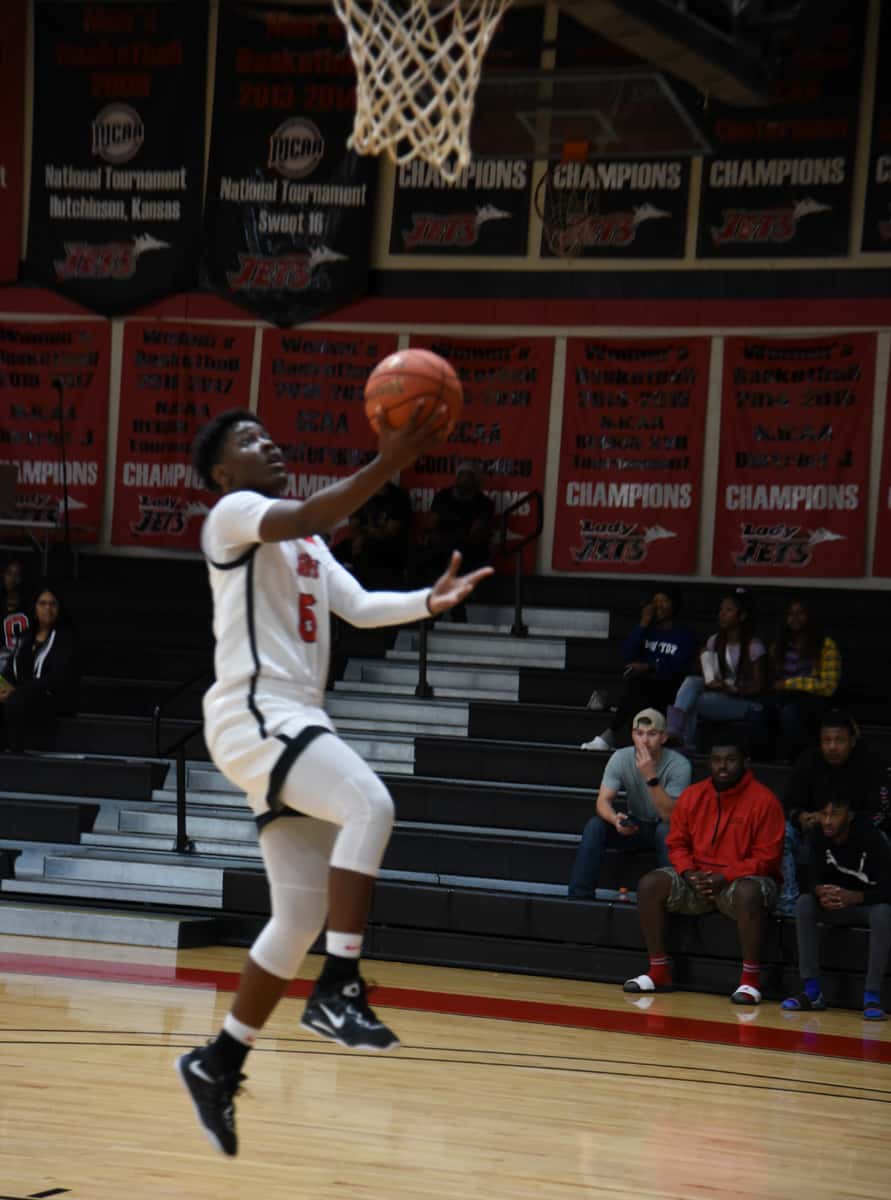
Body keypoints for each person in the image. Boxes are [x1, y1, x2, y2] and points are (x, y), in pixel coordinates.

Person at [177, 405, 492, 1157]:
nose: (270, 442)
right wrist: (391, 461)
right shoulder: (234, 514)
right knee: (368, 801)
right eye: (251, 441)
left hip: (287, 718)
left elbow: (355, 606)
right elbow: (319, 507)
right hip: (256, 711)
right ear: (224, 473)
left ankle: (218, 1061)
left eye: (268, 432)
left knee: (296, 918)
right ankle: (339, 985)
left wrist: (427, 602)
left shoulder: (309, 543)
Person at [623, 730, 785, 1005]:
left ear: (745, 762)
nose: (722, 766)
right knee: (650, 884)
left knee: (748, 892)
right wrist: (688, 872)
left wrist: (726, 876)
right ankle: (659, 971)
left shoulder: (764, 801)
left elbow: (767, 857)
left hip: (739, 882)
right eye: (716, 760)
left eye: (730, 760)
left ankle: (750, 982)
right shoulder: (694, 795)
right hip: (698, 880)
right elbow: (676, 843)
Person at [781, 794, 891, 1020]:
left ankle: (872, 995)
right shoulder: (818, 836)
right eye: (824, 814)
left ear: (849, 816)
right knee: (804, 903)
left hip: (863, 905)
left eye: (835, 814)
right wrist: (819, 891)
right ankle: (812, 992)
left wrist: (856, 897)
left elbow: (888, 890)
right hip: (832, 904)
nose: (828, 821)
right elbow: (809, 878)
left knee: (883, 912)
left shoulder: (872, 839)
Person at [569, 708, 691, 899]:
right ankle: (579, 897)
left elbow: (670, 816)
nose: (644, 740)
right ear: (633, 735)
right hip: (638, 825)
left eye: (652, 734)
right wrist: (614, 819)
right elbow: (602, 801)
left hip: (668, 828)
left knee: (664, 829)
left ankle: (677, 897)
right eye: (639, 733)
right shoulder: (621, 757)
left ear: (664, 737)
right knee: (595, 825)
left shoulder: (680, 765)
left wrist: (650, 776)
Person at [777, 709, 890, 915]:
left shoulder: (871, 762)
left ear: (852, 741)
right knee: (781, 834)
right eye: (826, 740)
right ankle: (788, 904)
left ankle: (872, 901)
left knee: (883, 838)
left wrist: (845, 824)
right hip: (814, 833)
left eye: (839, 740)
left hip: (858, 837)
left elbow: (881, 812)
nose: (832, 747)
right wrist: (800, 816)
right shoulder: (809, 760)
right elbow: (789, 804)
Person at [581, 586, 697, 752]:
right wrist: (642, 625)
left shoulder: (684, 634)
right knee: (636, 686)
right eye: (655, 601)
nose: (659, 606)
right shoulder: (646, 630)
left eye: (664, 601)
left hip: (670, 690)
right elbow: (627, 654)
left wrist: (650, 666)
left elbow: (679, 665)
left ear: (674, 605)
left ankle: (609, 736)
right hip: (644, 688)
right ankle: (618, 739)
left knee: (637, 687)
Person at [665, 588, 766, 753]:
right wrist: (704, 661)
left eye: (728, 610)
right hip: (718, 695)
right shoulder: (715, 641)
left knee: (693, 701)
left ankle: (684, 741)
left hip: (743, 702)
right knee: (691, 682)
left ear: (742, 616)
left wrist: (732, 689)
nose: (722, 614)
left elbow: (759, 686)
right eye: (721, 609)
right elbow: (707, 678)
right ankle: (674, 731)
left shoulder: (754, 646)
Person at [753, 596, 842, 761]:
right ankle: (761, 761)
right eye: (790, 614)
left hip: (813, 699)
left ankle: (796, 760)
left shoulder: (826, 645)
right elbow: (773, 681)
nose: (795, 618)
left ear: (809, 616)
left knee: (790, 712)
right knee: (757, 709)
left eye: (800, 613)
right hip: (783, 696)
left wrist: (789, 684)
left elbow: (829, 686)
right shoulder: (779, 645)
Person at [0, 584, 80, 753]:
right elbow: (10, 669)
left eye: (52, 604)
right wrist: (3, 686)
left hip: (52, 698)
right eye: (42, 603)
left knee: (16, 700)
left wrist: (16, 691)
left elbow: (57, 678)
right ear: (35, 608)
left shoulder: (66, 639)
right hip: (22, 694)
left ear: (59, 608)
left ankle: (16, 754)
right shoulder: (26, 636)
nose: (47, 608)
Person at [332, 479, 413, 591]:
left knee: (370, 551)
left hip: (389, 547)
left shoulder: (398, 497)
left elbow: (390, 532)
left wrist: (363, 537)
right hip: (362, 542)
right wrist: (358, 538)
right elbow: (353, 525)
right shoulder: (362, 493)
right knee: (333, 553)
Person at [0, 557, 30, 678]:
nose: (12, 578)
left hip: (21, 663)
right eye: (9, 573)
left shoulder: (30, 606)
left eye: (17, 574)